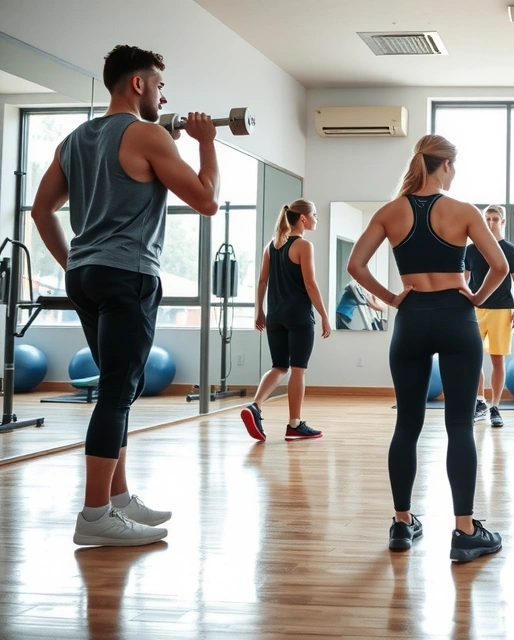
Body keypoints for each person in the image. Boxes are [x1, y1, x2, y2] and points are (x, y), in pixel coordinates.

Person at [30, 45, 220, 546]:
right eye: (159, 85)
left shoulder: (74, 139)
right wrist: (205, 142)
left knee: (121, 388)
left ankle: (117, 498)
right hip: (126, 275)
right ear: (137, 85)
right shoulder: (147, 134)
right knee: (117, 392)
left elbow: (40, 210)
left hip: (86, 276)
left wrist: (73, 260)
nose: (163, 94)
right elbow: (206, 201)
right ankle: (95, 516)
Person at [347, 134, 509, 563]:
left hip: (412, 316)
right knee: (459, 425)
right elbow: (500, 266)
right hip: (456, 316)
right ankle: (465, 531)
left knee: (407, 425)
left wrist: (393, 296)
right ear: (447, 165)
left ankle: (402, 523)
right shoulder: (463, 211)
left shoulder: (391, 211)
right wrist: (475, 296)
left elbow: (354, 265)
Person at [240, 199, 331, 443]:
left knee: (279, 366)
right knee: (298, 370)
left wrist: (259, 311)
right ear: (303, 218)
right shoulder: (303, 245)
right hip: (299, 317)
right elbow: (310, 284)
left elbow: (261, 282)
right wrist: (324, 315)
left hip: (275, 317)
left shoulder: (272, 245)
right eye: (314, 215)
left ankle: (255, 405)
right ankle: (294, 425)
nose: (316, 220)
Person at [464, 205, 514, 428]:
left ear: (503, 222)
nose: (490, 223)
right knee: (473, 358)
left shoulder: (510, 250)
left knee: (497, 360)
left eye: (495, 219)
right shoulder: (471, 249)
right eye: (487, 218)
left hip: (502, 310)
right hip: (475, 310)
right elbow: (464, 279)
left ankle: (495, 407)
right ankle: (480, 402)